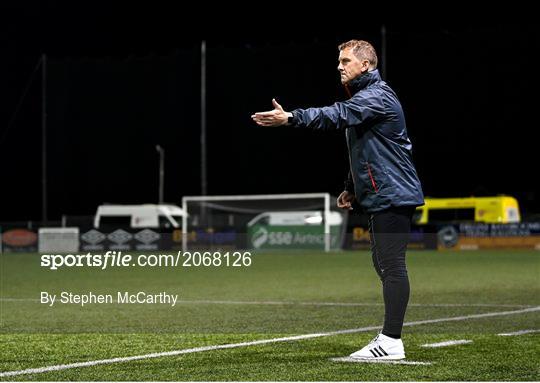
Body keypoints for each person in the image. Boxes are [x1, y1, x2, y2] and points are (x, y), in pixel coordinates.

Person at [251, 40, 424, 360]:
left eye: (346, 60)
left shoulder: (377, 95)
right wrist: (351, 186)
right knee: (384, 264)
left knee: (392, 265)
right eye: (339, 61)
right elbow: (367, 150)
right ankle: (390, 337)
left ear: (366, 65)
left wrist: (291, 117)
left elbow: (337, 115)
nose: (339, 66)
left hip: (393, 193)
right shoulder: (366, 97)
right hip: (382, 192)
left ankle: (391, 341)